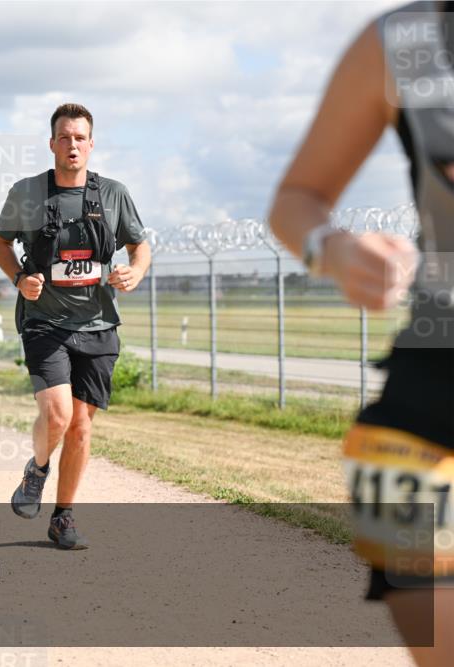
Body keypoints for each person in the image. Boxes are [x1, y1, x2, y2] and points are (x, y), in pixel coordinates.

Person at [269, 4, 453, 665]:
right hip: (434, 375)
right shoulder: (404, 41)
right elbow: (296, 198)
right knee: (423, 601)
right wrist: (335, 250)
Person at [0, 103, 151, 549]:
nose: (72, 145)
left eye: (80, 137)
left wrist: (136, 271)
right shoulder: (26, 193)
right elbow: (0, 242)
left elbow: (139, 246)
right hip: (45, 322)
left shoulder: (114, 194)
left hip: (99, 323)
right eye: (64, 137)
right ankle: (38, 469)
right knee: (58, 414)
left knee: (81, 425)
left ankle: (63, 517)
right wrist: (19, 278)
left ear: (91, 144)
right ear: (52, 144)